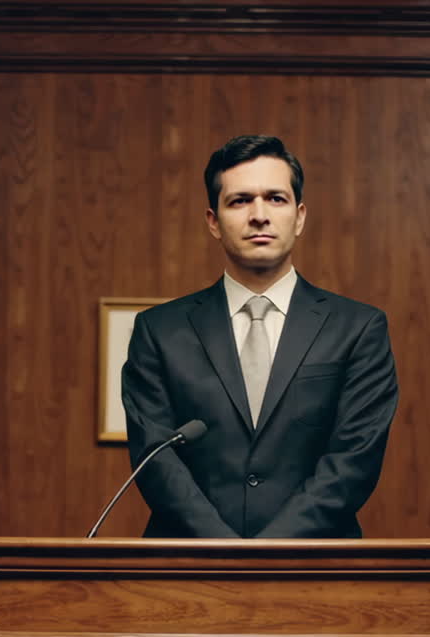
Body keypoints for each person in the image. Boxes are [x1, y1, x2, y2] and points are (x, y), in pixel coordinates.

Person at [121, 134, 399, 538]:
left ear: (299, 216)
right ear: (213, 221)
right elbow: (156, 459)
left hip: (318, 568)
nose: (259, 215)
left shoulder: (359, 328)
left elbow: (353, 460)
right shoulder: (158, 331)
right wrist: (225, 555)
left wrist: (267, 554)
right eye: (239, 200)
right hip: (188, 568)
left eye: (276, 198)